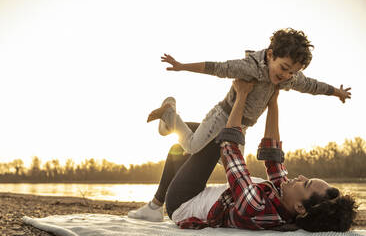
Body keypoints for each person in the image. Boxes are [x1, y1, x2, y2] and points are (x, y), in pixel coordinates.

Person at [129, 79, 357, 232]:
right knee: (180, 150)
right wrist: (273, 100)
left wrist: (241, 95)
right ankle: (153, 204)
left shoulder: (257, 208)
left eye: (305, 183)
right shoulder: (286, 201)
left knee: (215, 136)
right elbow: (273, 154)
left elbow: (230, 151)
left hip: (182, 202)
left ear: (300, 208)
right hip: (199, 192)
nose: (298, 178)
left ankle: (171, 123)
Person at [149, 28, 352, 158]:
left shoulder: (290, 77)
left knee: (235, 170)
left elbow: (312, 86)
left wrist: (337, 93)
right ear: (270, 55)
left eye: (293, 72)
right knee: (192, 147)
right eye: (283, 68)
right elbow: (219, 68)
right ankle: (169, 114)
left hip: (241, 127)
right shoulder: (250, 67)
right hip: (223, 116)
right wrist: (182, 66)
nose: (287, 75)